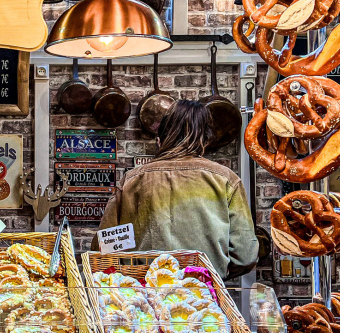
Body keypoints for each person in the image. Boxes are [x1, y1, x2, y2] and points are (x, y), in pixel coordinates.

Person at [93, 100, 258, 279]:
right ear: (205, 139)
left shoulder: (132, 180)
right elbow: (245, 256)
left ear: (160, 139)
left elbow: (103, 248)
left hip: (144, 292)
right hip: (203, 291)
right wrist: (213, 273)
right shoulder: (226, 179)